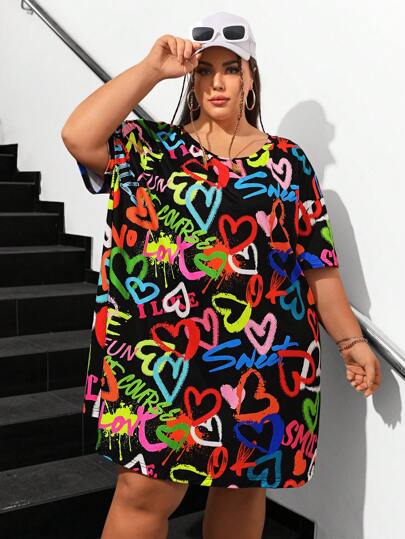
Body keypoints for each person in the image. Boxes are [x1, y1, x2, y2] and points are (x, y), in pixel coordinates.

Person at [61, 10, 381, 539]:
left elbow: (318, 266)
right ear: (191, 79)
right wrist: (151, 68)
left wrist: (352, 343)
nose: (217, 82)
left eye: (231, 68)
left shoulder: (288, 163)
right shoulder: (153, 150)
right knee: (141, 492)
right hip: (162, 358)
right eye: (205, 69)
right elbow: (78, 136)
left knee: (243, 488)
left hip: (263, 361)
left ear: (250, 77)